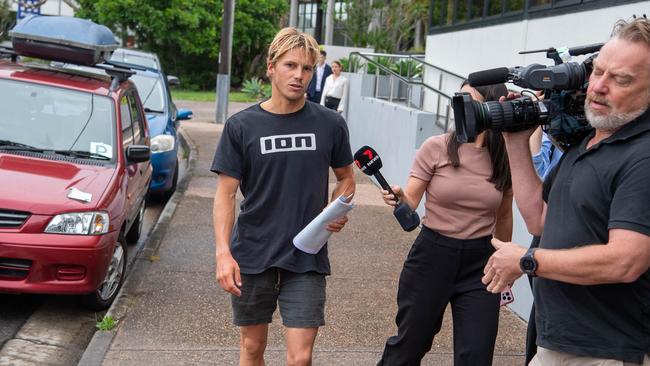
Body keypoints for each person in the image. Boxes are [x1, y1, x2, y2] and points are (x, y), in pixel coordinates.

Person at [482, 18, 650, 365]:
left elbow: (625, 261)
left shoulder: (643, 156)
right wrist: (515, 140)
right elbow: (539, 219)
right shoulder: (589, 141)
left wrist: (527, 261)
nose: (598, 87)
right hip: (560, 342)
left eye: (619, 79)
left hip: (605, 351)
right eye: (598, 71)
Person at [211, 27, 355, 366]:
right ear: (271, 67)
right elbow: (225, 195)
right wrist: (222, 253)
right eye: (291, 66)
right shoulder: (241, 126)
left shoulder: (330, 124)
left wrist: (336, 209)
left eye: (307, 68)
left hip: (306, 255)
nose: (299, 76)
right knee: (251, 348)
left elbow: (347, 178)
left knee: (300, 358)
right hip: (252, 253)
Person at [377, 81, 513, 366]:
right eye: (458, 99)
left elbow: (503, 216)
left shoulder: (505, 157)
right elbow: (411, 200)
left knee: (476, 355)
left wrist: (504, 265)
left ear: (490, 107)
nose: (460, 106)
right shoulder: (436, 147)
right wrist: (399, 198)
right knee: (410, 346)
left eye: (468, 99)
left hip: (481, 265)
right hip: (432, 255)